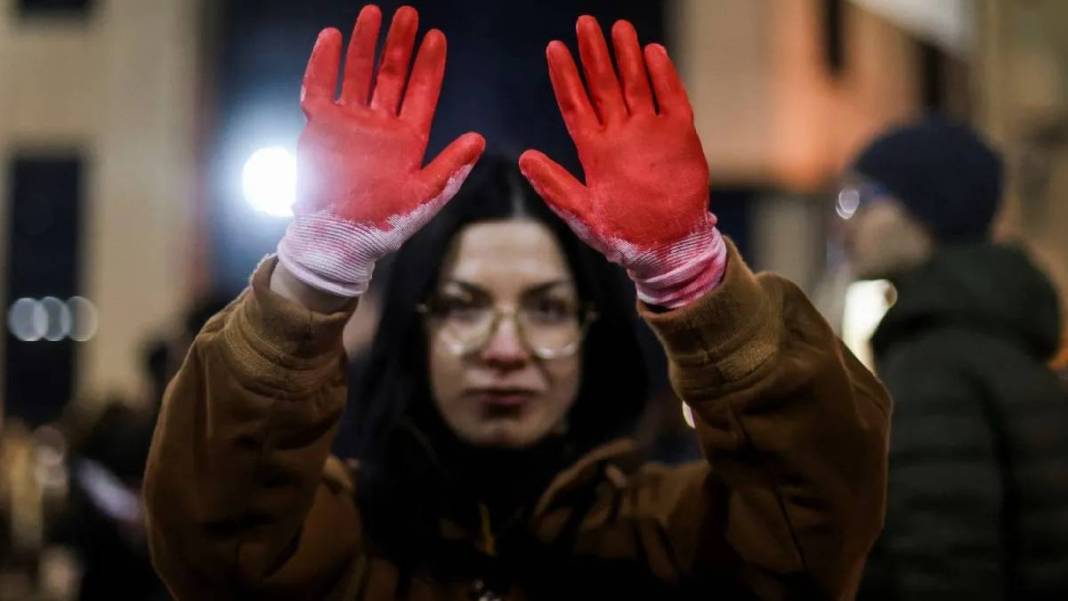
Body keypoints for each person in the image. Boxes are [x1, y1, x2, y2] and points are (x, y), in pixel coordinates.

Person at [144, 5, 890, 599]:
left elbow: (814, 527)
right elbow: (214, 547)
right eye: (464, 306)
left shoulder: (671, 533)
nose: (506, 349)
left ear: (593, 329)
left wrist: (691, 276)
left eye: (546, 309)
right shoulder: (336, 533)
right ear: (414, 328)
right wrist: (316, 271)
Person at [840, 117, 1068, 599]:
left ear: (925, 211)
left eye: (861, 201)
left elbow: (943, 562)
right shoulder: (997, 336)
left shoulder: (933, 364)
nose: (848, 227)